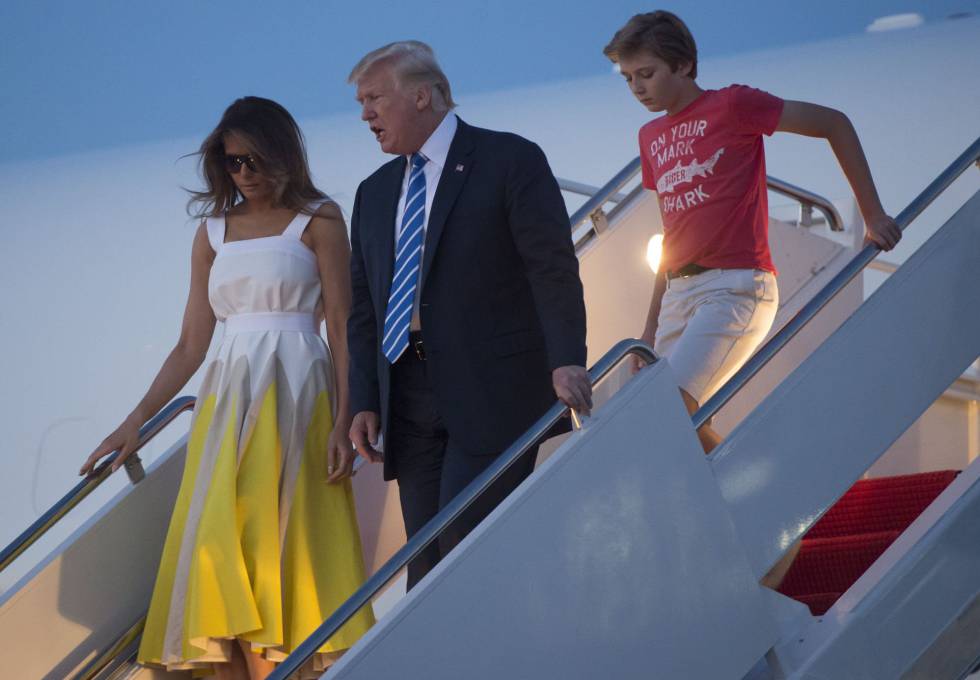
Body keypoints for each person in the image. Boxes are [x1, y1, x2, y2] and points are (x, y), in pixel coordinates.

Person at [79, 97, 374, 679]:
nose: (242, 173)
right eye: (230, 161)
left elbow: (341, 327)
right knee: (218, 564)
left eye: (253, 160)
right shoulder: (211, 232)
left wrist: (345, 417)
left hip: (297, 395)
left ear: (282, 154)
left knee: (279, 564)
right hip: (226, 402)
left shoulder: (319, 218)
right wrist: (135, 419)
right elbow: (191, 343)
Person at [345, 41, 591, 589]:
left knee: (467, 544)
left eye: (374, 99)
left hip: (494, 386)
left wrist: (567, 360)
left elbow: (550, 269)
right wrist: (363, 397)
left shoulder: (509, 159)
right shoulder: (374, 193)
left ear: (423, 95)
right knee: (426, 561)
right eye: (361, 103)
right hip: (407, 396)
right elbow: (364, 308)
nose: (365, 114)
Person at [603, 11, 902, 455]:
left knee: (672, 410)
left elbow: (833, 123)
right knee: (658, 421)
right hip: (677, 294)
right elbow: (673, 234)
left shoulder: (733, 104)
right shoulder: (650, 136)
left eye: (646, 73)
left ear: (683, 64)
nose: (638, 89)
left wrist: (873, 214)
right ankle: (731, 497)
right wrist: (647, 329)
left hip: (734, 287)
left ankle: (749, 500)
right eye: (628, 79)